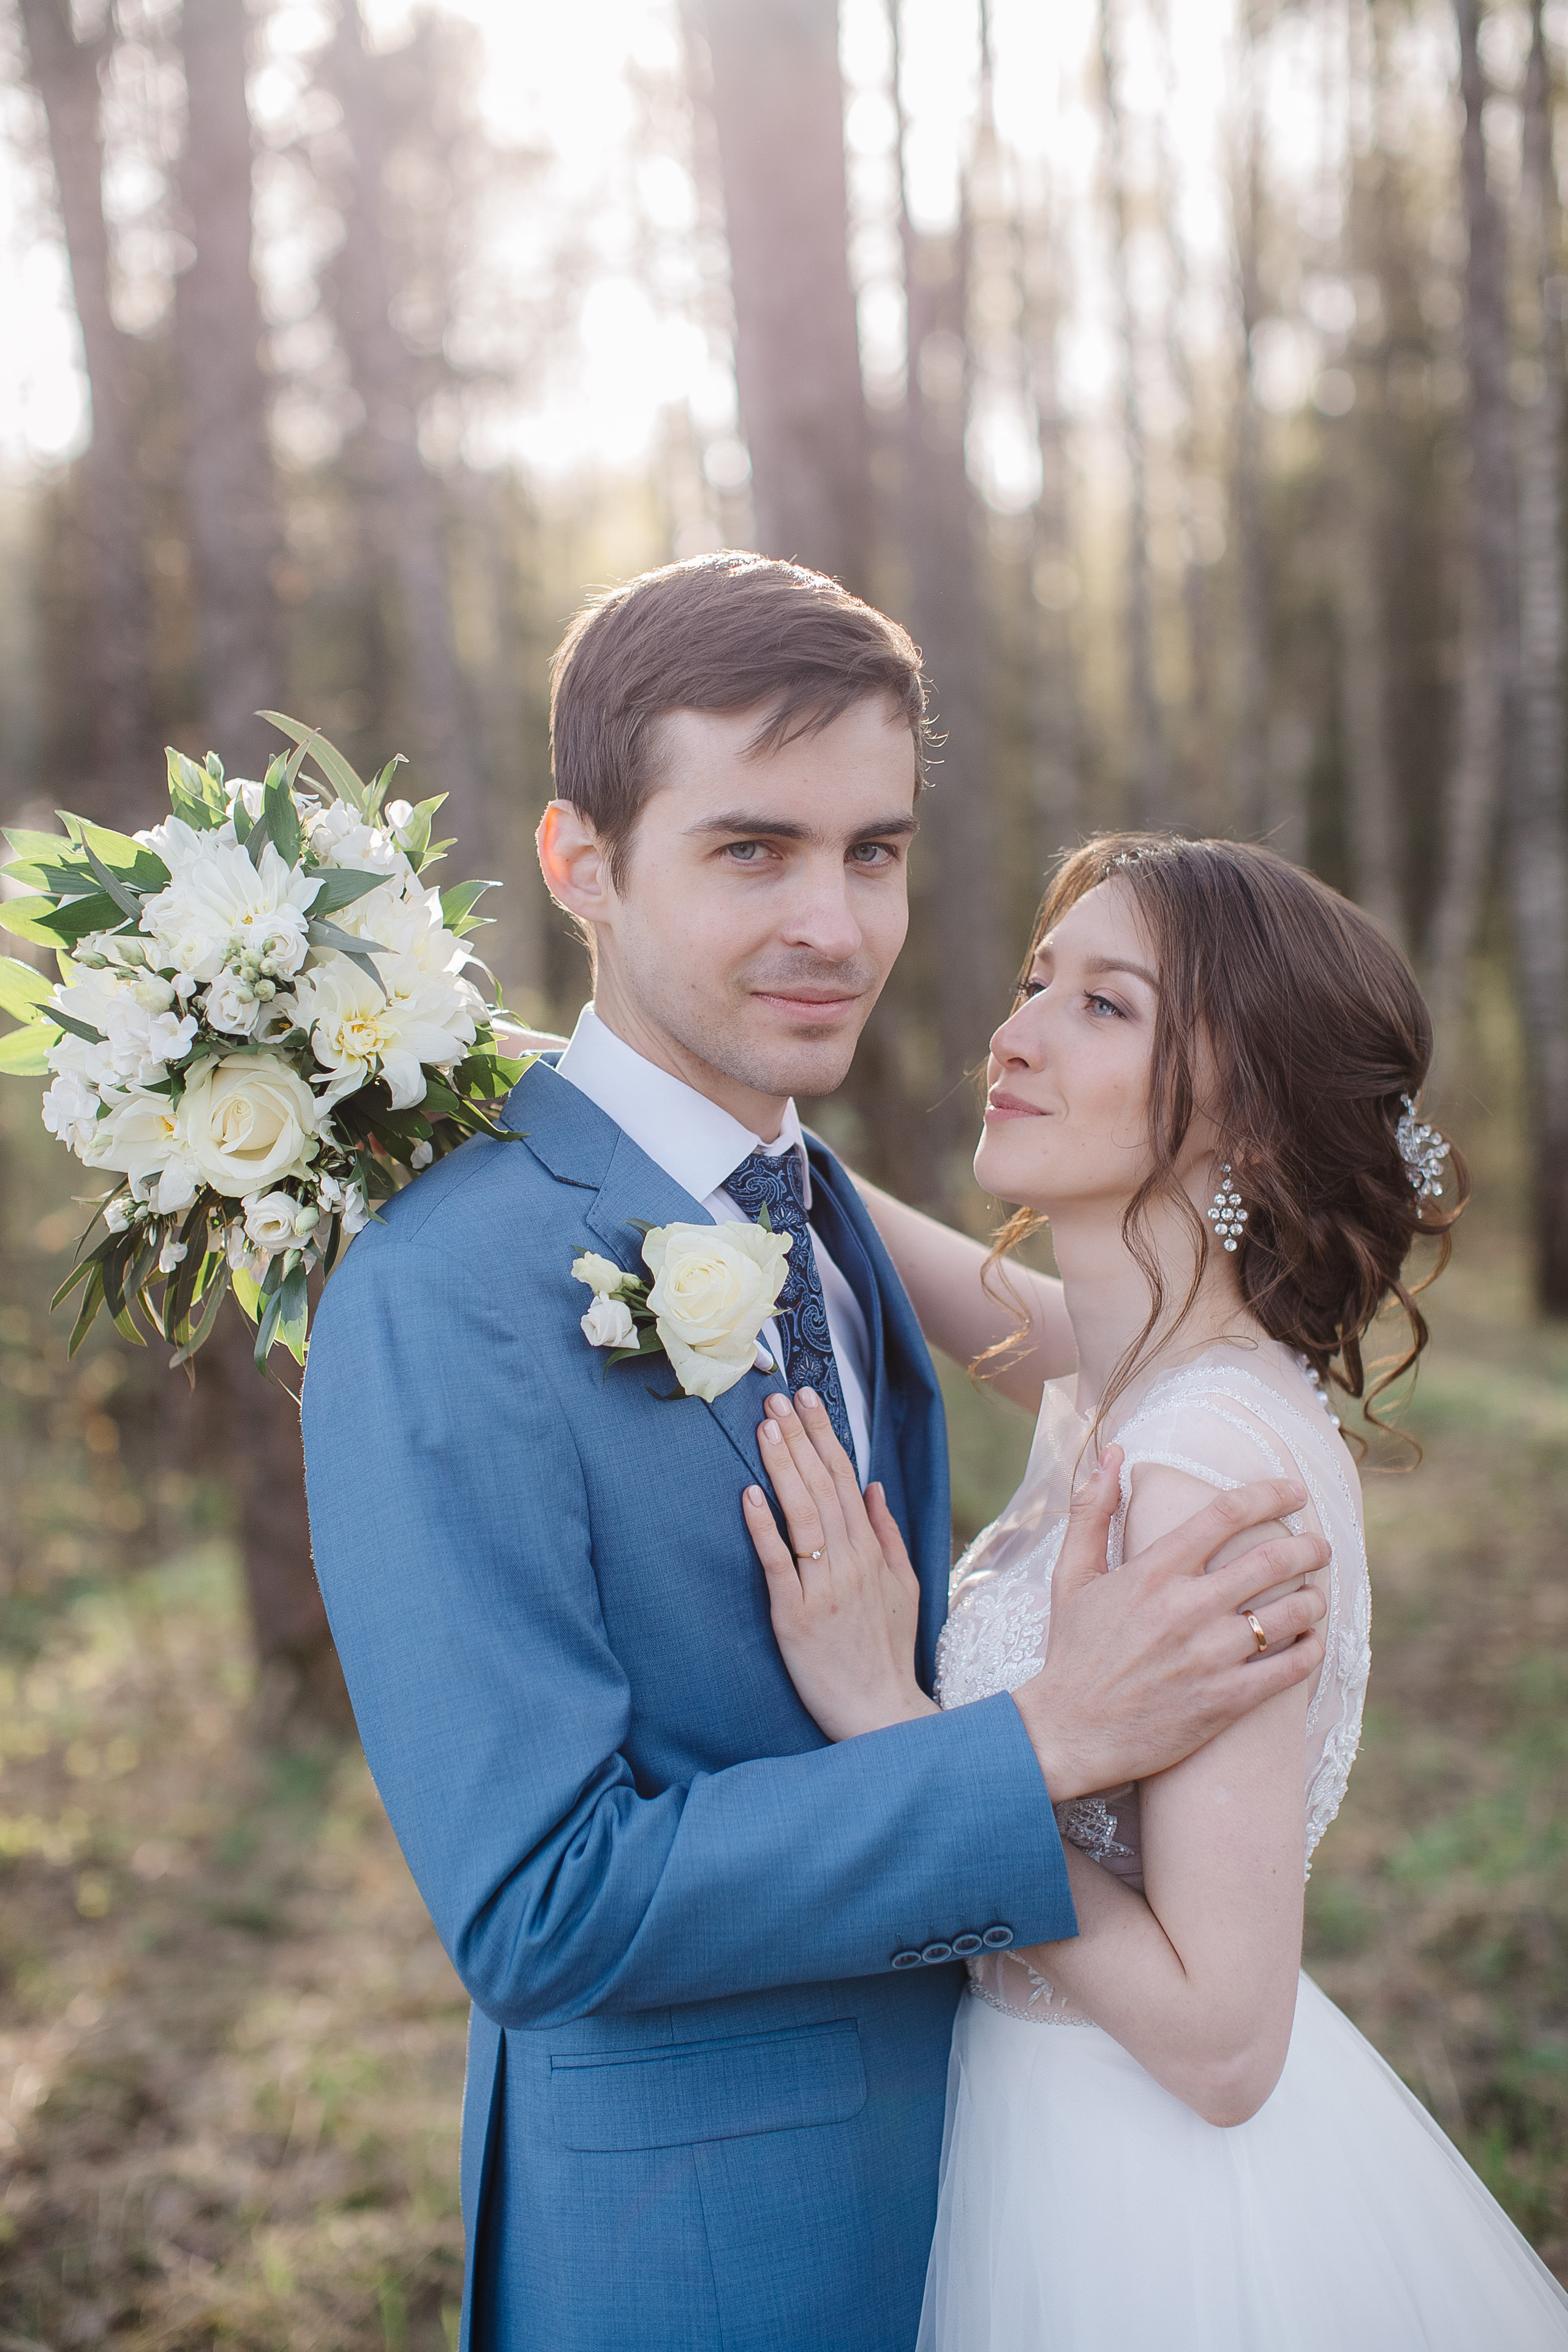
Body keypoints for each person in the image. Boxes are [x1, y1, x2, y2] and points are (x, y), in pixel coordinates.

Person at [300, 554, 1331, 2352]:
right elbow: (542, 1915)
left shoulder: (821, 1203)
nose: (838, 928)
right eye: (752, 850)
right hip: (708, 2257)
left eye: (874, 852)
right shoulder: (439, 1297)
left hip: (1014, 2199)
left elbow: (1155, 1357)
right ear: (581, 865)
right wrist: (1045, 1746)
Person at [744, 831, 1568, 2349]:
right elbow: (867, 1228)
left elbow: (1220, 2035)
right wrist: (631, 1088)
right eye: (1033, 982)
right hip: (1027, 2118)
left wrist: (898, 1729)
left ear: (1238, 1126)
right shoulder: (1130, 1373)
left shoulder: (1200, 1468)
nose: (1014, 1032)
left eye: (1102, 1007)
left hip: (1137, 2193)